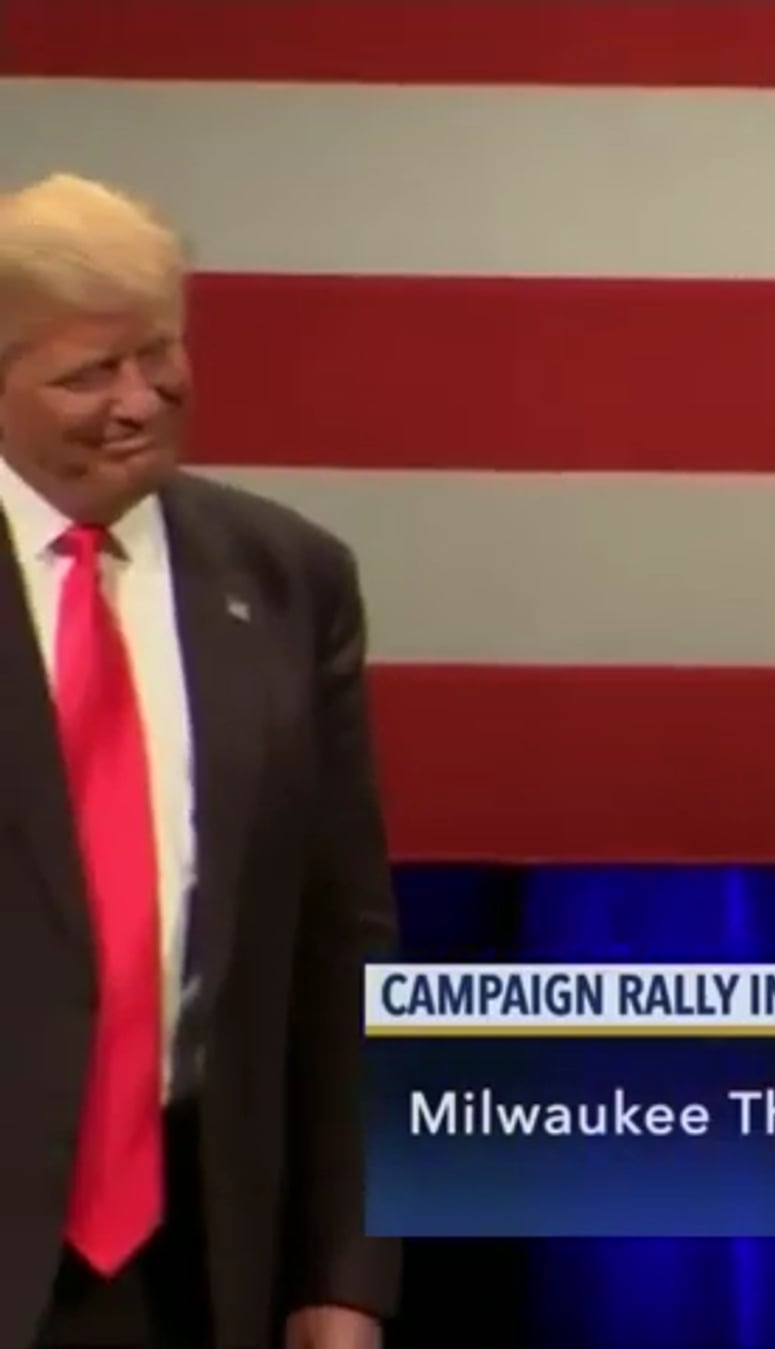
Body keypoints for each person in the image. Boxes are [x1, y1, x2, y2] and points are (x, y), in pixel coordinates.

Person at [0, 174, 399, 1346]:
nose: (139, 399)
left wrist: (344, 1273)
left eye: (158, 354)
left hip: (199, 1260)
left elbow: (342, 940)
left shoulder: (286, 579)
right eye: (89, 372)